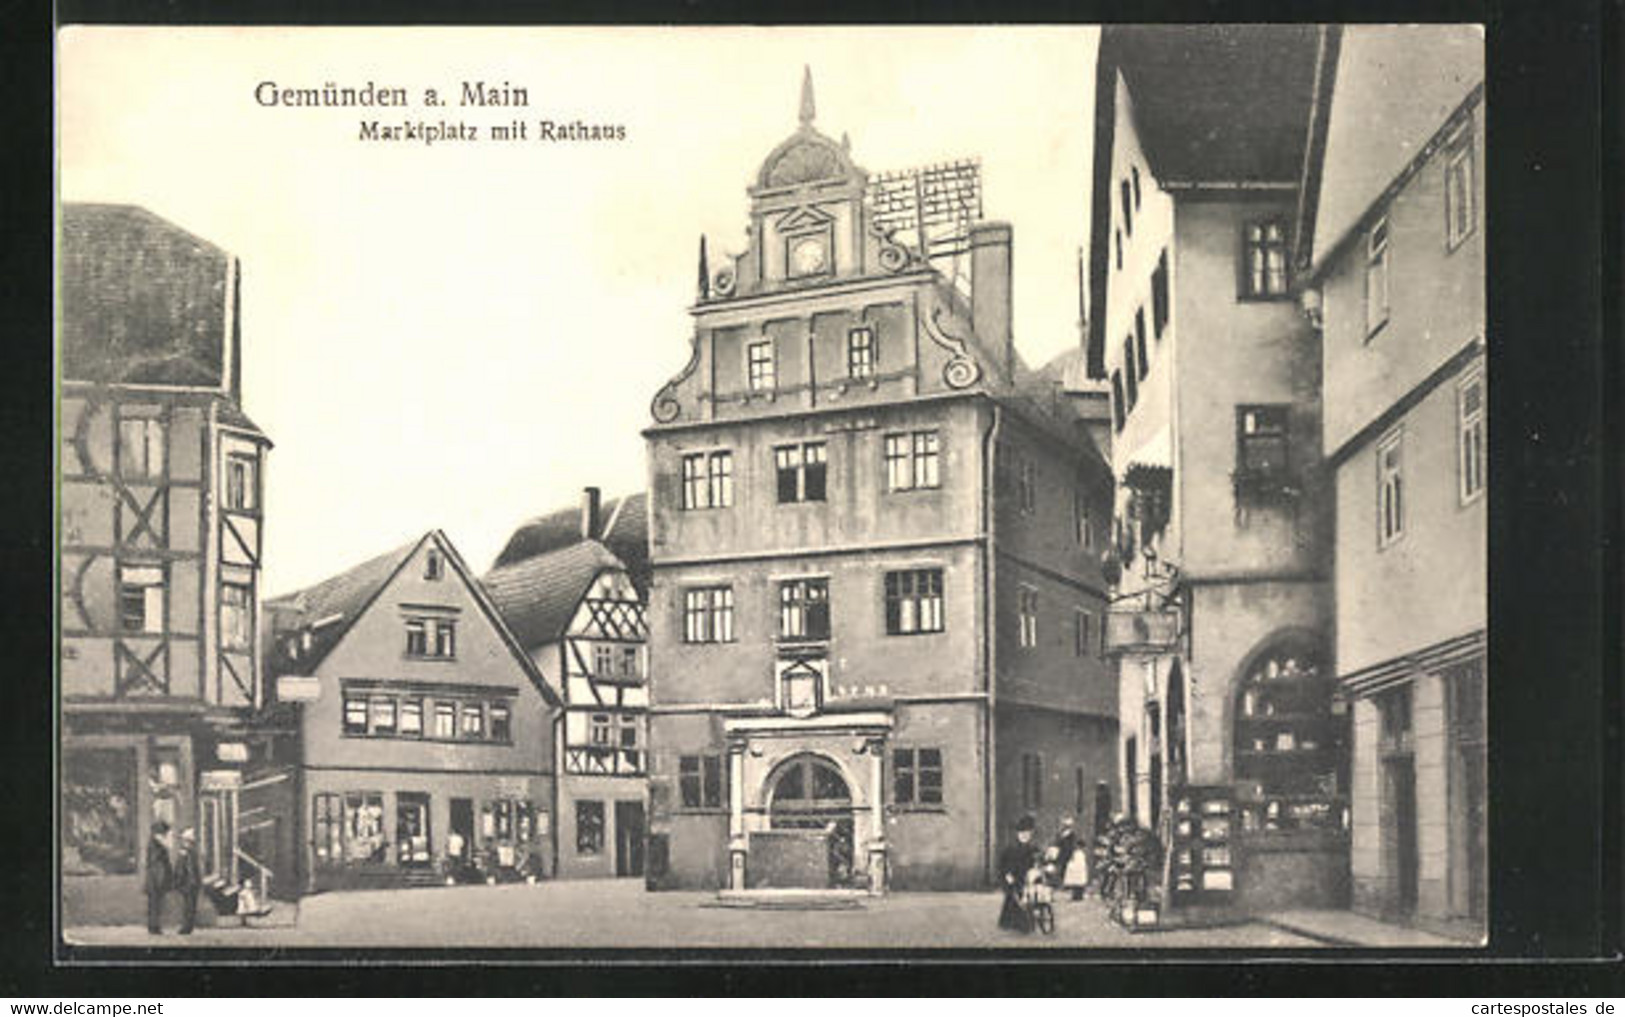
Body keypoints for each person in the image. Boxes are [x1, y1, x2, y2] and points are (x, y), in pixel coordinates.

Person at [997, 814, 1041, 933]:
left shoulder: (1033, 848)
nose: (1025, 836)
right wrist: (1007, 874)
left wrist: (1037, 867)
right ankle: (1016, 923)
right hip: (1013, 876)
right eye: (1022, 834)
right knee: (1015, 897)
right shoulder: (1011, 849)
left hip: (1027, 876)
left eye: (1027, 834)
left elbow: (1036, 860)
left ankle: (1024, 922)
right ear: (1018, 834)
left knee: (1029, 897)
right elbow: (1004, 863)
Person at [143, 820, 173, 935]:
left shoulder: (153, 844)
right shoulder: (157, 846)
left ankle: (153, 926)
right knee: (155, 904)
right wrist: (161, 881)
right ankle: (154, 927)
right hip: (156, 881)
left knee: (154, 905)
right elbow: (157, 865)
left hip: (154, 880)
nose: (165, 836)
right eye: (164, 833)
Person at [173, 827, 202, 935]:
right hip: (190, 883)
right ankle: (188, 927)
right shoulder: (189, 852)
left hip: (188, 883)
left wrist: (179, 881)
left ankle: (187, 927)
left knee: (189, 906)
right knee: (190, 906)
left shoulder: (186, 852)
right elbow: (190, 869)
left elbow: (181, 869)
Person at [1055, 815, 1090, 901]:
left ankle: (1078, 893)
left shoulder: (1073, 835)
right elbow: (1059, 843)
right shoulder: (1061, 834)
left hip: (1072, 856)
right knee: (1069, 873)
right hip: (1066, 855)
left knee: (1077, 874)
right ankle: (1073, 892)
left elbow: (1074, 844)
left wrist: (1074, 850)